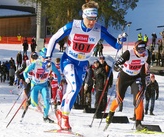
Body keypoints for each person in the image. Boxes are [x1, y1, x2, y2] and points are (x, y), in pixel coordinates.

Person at [45, 1, 124, 131]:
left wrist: (120, 40)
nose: (92, 22)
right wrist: (48, 57)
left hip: (82, 64)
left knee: (75, 90)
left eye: (94, 19)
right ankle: (65, 118)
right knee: (74, 86)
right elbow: (54, 38)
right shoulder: (73, 26)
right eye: (89, 19)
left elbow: (116, 45)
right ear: (83, 16)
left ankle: (61, 112)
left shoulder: (99, 30)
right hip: (69, 60)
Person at [105, 40, 150, 131]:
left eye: (143, 50)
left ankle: (138, 123)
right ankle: (110, 113)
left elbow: (147, 65)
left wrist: (147, 76)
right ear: (135, 49)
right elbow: (116, 64)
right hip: (124, 77)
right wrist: (117, 67)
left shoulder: (147, 54)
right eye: (139, 51)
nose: (142, 53)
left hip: (136, 77)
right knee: (119, 100)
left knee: (139, 99)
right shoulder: (128, 53)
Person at [23, 48, 62, 123]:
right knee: (34, 104)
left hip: (44, 85)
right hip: (35, 85)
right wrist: (26, 78)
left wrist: (59, 83)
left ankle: (45, 117)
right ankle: (30, 101)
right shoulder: (35, 63)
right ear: (41, 57)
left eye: (48, 58)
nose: (46, 60)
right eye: (44, 58)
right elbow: (25, 71)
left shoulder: (50, 65)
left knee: (47, 102)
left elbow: (58, 74)